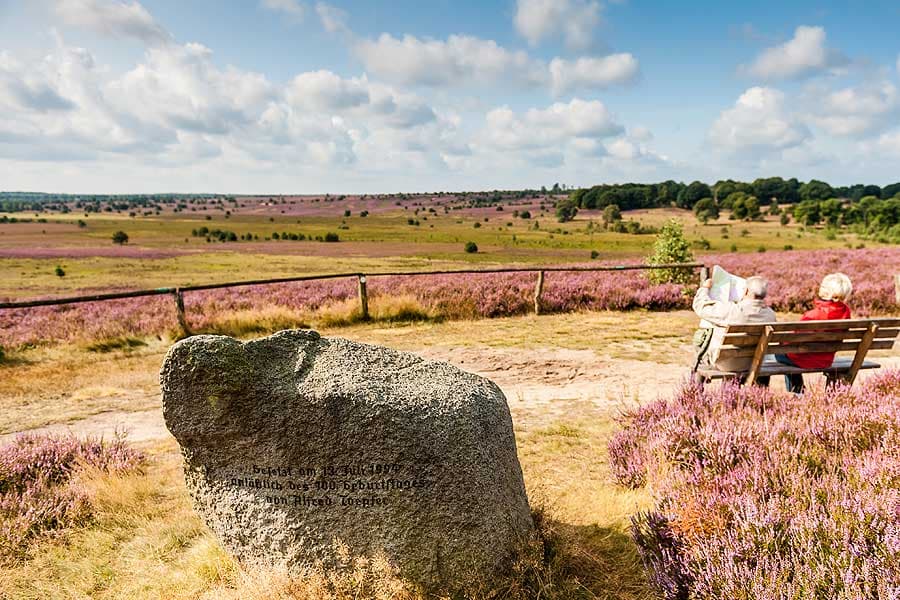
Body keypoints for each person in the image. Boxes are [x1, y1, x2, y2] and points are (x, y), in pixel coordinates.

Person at [772, 273, 853, 393]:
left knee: (780, 353)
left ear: (827, 291)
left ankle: (797, 392)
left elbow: (793, 340)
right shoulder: (846, 313)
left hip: (803, 359)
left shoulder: (813, 315)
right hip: (826, 360)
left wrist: (782, 342)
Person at [692, 275, 777, 377]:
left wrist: (704, 288)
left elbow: (700, 306)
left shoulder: (733, 311)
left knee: (700, 339)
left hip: (726, 363)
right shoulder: (770, 315)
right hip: (753, 361)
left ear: (746, 291)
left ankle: (696, 389)